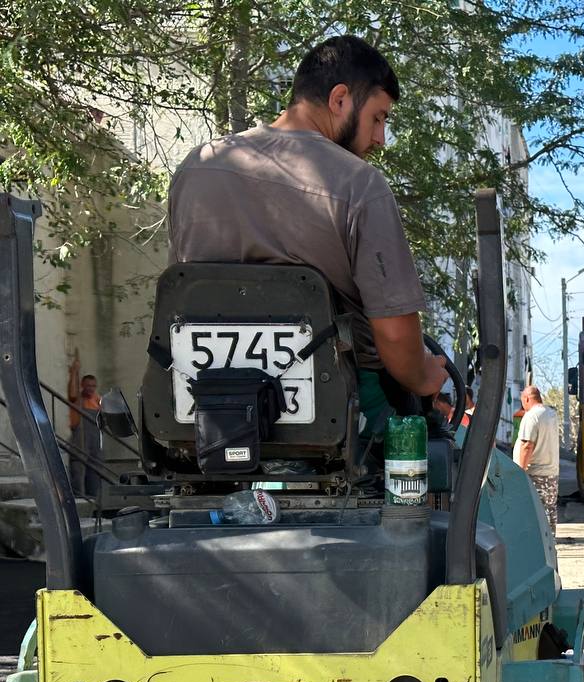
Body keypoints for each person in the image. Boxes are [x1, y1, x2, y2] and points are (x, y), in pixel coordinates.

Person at [167, 35, 447, 432]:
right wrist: (427, 376)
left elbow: (180, 293)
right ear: (340, 100)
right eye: (378, 118)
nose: (380, 139)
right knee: (436, 452)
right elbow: (396, 336)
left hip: (207, 410)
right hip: (338, 413)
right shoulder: (359, 185)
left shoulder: (197, 166)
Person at [514, 385, 560, 534]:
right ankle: (550, 549)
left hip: (535, 475)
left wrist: (519, 472)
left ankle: (537, 553)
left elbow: (527, 445)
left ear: (526, 399)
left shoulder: (531, 416)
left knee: (533, 517)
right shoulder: (551, 414)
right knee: (549, 515)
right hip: (551, 475)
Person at [66, 350, 102, 498]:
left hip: (94, 439)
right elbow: (73, 392)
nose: (90, 388)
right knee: (78, 469)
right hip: (80, 438)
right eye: (88, 385)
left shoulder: (97, 399)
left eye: (93, 386)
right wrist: (74, 371)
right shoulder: (77, 398)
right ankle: (79, 500)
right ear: (82, 385)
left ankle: (94, 502)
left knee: (95, 471)